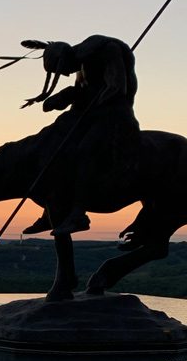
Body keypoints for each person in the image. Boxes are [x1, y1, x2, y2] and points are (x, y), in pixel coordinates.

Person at [19, 35, 140, 237]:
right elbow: (82, 92)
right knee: (54, 144)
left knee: (86, 149)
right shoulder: (82, 61)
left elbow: (117, 87)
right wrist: (64, 98)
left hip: (113, 114)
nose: (67, 74)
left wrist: (77, 97)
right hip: (90, 114)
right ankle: (51, 210)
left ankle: (78, 214)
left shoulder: (107, 50)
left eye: (64, 70)